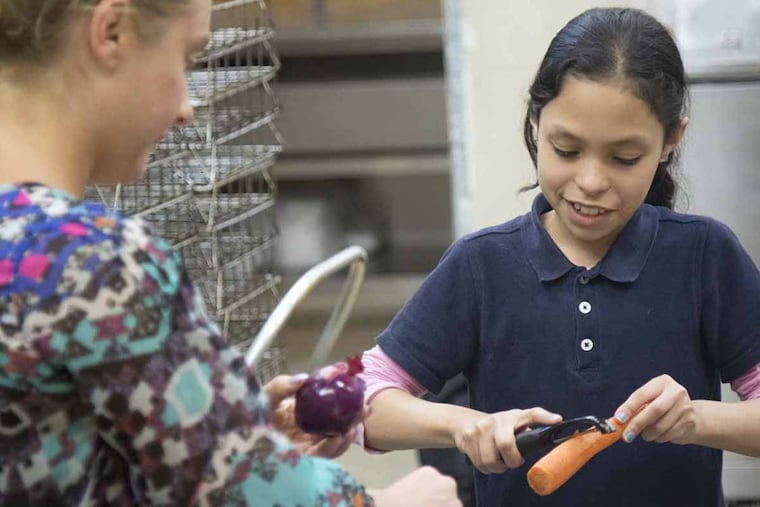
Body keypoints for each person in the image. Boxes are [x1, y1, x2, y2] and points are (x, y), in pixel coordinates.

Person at [0, 1, 463, 505]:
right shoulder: (92, 260)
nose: (186, 108)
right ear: (111, 32)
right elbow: (238, 495)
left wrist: (224, 440)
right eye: (186, 58)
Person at [357, 7, 760, 506]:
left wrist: (697, 419)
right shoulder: (482, 266)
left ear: (670, 141)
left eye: (624, 158)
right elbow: (361, 402)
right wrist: (466, 427)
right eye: (566, 149)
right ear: (535, 121)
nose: (590, 182)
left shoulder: (704, 257)